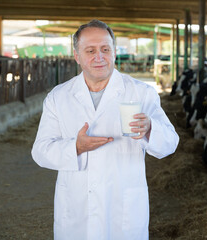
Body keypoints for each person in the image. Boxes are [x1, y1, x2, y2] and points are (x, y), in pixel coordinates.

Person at [31, 19, 179, 240]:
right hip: (76, 210)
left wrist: (150, 129)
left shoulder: (141, 93)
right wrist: (75, 147)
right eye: (90, 50)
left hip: (123, 209)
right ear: (77, 56)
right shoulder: (58, 97)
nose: (99, 57)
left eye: (105, 49)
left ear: (114, 52)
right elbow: (40, 151)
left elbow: (170, 143)